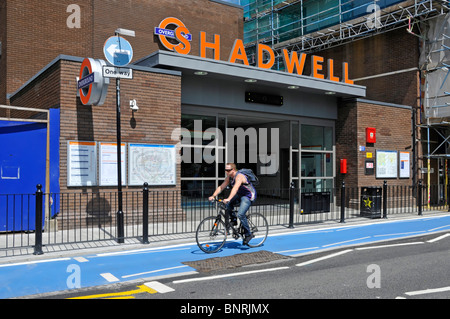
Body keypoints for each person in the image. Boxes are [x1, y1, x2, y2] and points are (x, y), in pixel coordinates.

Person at [208, 163, 257, 245]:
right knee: (228, 205)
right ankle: (234, 221)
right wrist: (213, 195)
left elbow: (235, 188)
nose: (226, 172)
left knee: (241, 214)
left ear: (233, 170)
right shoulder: (229, 178)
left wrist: (228, 199)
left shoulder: (239, 176)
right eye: (225, 170)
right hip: (240, 195)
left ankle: (249, 234)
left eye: (228, 170)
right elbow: (221, 187)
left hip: (248, 196)